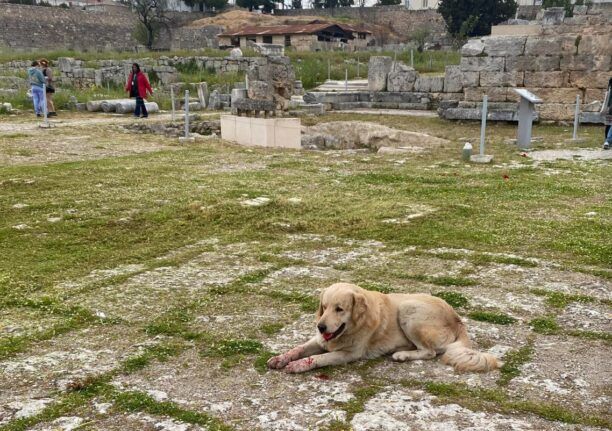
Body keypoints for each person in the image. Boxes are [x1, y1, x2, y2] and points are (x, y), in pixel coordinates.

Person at [602, 78, 612, 150]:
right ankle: (607, 141)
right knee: (609, 124)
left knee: (609, 124)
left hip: (609, 107)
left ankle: (607, 141)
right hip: (610, 107)